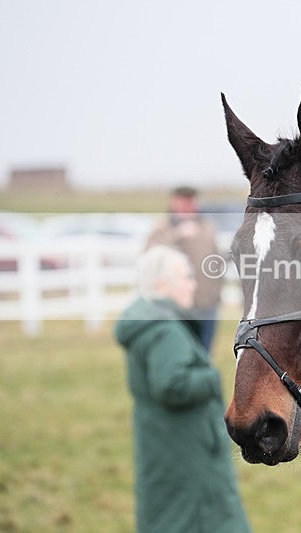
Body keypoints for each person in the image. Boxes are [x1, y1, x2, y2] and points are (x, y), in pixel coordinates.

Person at [115, 245, 251, 533]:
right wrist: (211, 378)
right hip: (188, 451)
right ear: (162, 284)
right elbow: (171, 385)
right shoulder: (165, 330)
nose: (193, 285)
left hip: (166, 444)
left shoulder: (151, 323)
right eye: (186, 277)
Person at [146, 186, 221, 353]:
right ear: (174, 202)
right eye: (184, 201)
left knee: (204, 352)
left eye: (191, 201)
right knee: (179, 352)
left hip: (207, 303)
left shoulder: (206, 224)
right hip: (177, 306)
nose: (188, 206)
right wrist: (177, 234)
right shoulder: (163, 226)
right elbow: (152, 255)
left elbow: (215, 256)